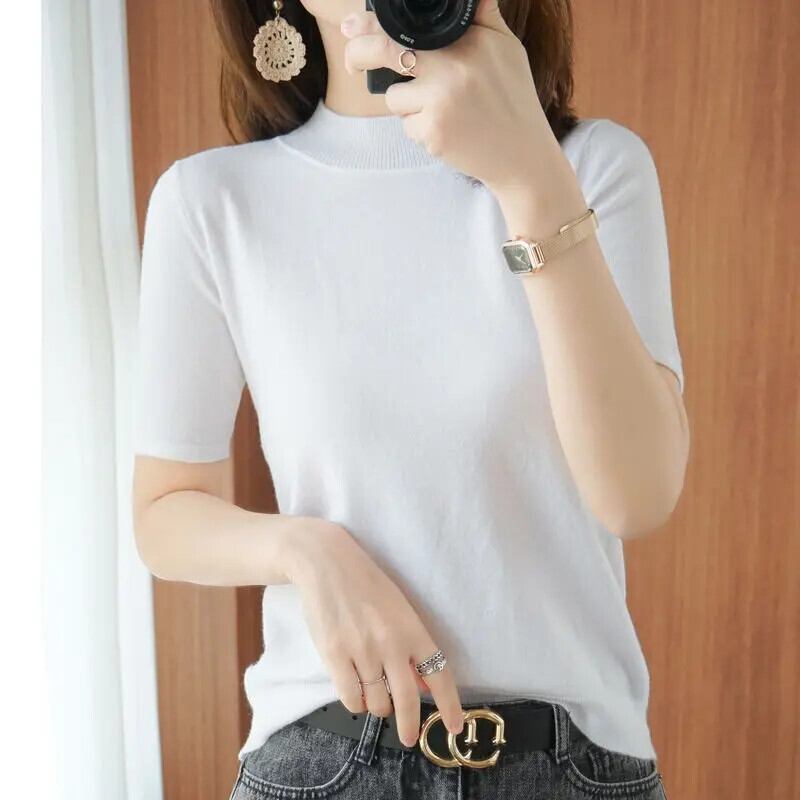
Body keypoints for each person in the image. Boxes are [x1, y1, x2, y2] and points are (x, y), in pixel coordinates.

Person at [131, 0, 689, 797]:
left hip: (573, 764)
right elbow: (164, 513)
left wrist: (528, 175)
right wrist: (305, 552)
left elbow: (637, 495)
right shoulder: (210, 200)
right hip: (322, 760)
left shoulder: (593, 167)